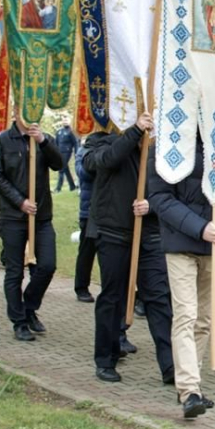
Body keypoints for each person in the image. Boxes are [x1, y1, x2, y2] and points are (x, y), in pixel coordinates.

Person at [148, 129, 215, 419]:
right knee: (186, 315)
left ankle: (194, 385)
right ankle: (189, 391)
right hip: (181, 243)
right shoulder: (168, 140)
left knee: (205, 319)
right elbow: (160, 198)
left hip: (214, 243)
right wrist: (200, 228)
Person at [84, 112, 174, 385]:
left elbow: (172, 189)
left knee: (159, 299)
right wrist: (134, 132)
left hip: (150, 234)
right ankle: (106, 359)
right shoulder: (100, 141)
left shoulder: (159, 147)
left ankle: (170, 366)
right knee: (113, 296)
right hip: (113, 231)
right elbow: (104, 162)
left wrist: (152, 205)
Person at [0, 104, 63, 341]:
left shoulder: (44, 139)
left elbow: (59, 164)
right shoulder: (2, 141)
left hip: (41, 216)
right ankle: (18, 321)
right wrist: (20, 201)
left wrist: (42, 141)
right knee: (14, 271)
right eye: (24, 111)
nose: (30, 116)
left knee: (47, 265)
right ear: (14, 113)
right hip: (13, 216)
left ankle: (29, 307)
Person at [74, 142, 96, 302]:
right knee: (87, 251)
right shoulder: (85, 150)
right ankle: (81, 287)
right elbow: (83, 173)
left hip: (109, 211)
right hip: (89, 211)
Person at [54, 116, 78, 192]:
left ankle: (58, 188)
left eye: (66, 120)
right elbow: (56, 143)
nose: (65, 122)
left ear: (69, 121)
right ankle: (72, 186)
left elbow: (75, 143)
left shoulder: (71, 131)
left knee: (61, 168)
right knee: (65, 169)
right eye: (63, 120)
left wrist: (76, 152)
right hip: (59, 152)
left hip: (67, 152)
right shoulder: (59, 132)